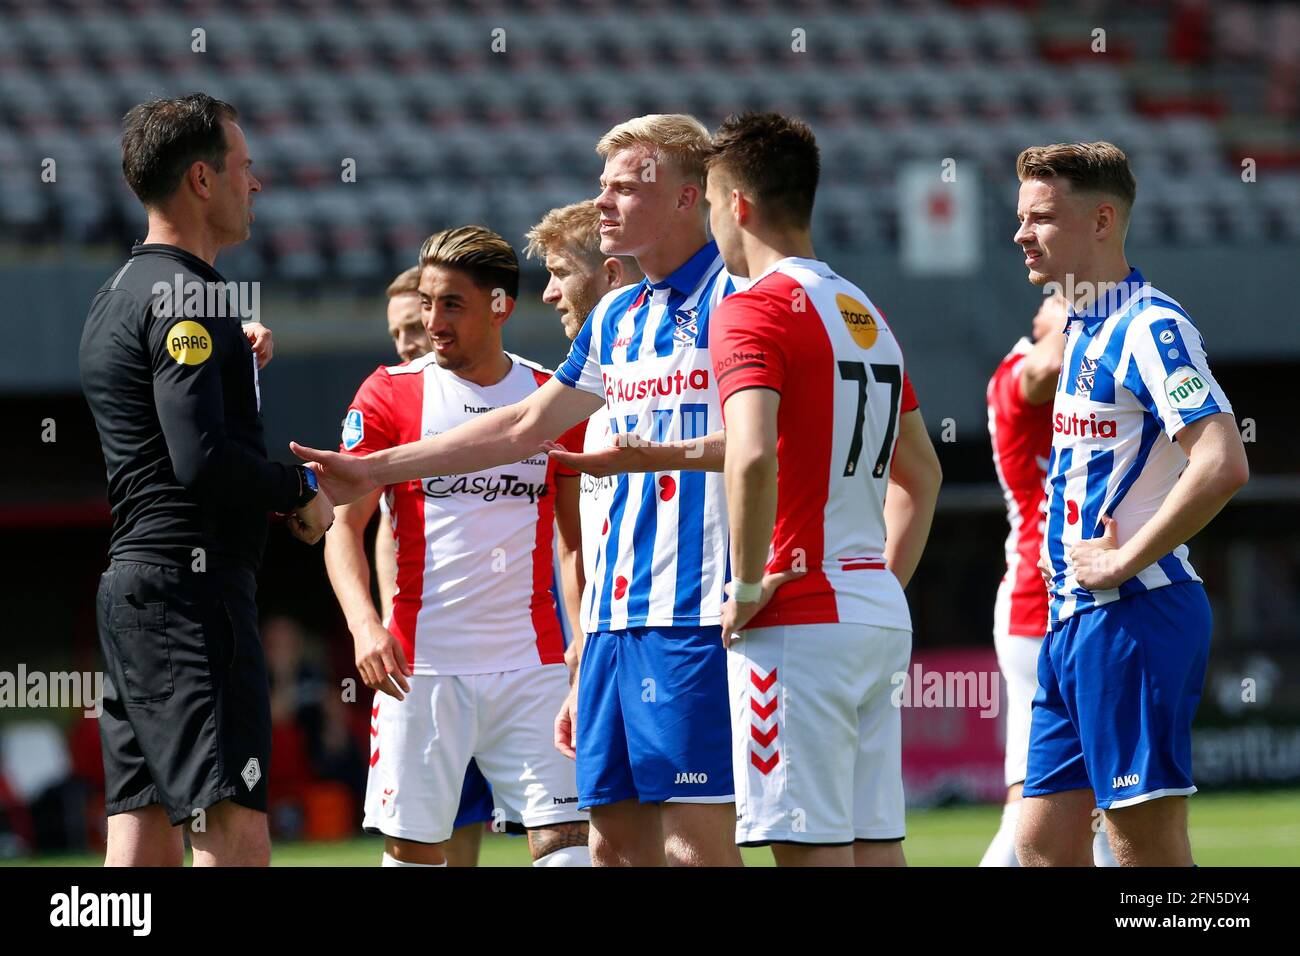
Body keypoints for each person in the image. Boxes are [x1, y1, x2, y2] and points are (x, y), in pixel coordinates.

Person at [295, 115, 747, 867]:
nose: (604, 202)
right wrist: (374, 475)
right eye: (601, 187)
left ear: (684, 198)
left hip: (678, 621)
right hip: (575, 636)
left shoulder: (739, 302)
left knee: (687, 851)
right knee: (613, 852)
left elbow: (777, 448)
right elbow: (520, 429)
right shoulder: (616, 320)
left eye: (625, 187)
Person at [78, 93, 333, 867]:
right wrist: (301, 490)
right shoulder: (193, 299)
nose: (254, 186)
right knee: (232, 820)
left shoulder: (117, 295)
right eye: (245, 168)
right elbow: (202, 461)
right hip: (193, 602)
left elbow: (167, 424)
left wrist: (231, 363)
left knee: (140, 823)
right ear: (200, 180)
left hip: (134, 592)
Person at [703, 112, 942, 866]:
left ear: (737, 203)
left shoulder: (750, 307)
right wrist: (880, 581)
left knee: (809, 852)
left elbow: (749, 456)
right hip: (872, 613)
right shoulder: (863, 308)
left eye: (710, 205)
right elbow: (923, 473)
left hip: (797, 618)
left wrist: (744, 585)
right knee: (877, 849)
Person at [322, 226, 590, 867]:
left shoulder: (550, 398)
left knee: (570, 848)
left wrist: (583, 641)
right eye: (427, 304)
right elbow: (344, 527)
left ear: (501, 306)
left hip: (535, 666)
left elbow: (574, 544)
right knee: (416, 855)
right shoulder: (388, 393)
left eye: (451, 304)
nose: (432, 321)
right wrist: (365, 627)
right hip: (421, 670)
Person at [1012, 142, 1249, 866]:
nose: (1022, 234)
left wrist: (1121, 558)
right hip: (1072, 623)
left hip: (1135, 615)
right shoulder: (1081, 327)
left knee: (1144, 850)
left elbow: (1224, 460)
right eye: (1021, 217)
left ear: (1103, 220)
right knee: (1044, 846)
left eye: (1042, 218)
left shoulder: (1151, 327)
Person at [980, 295, 1119, 866]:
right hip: (1036, 611)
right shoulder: (1016, 374)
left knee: (1104, 795)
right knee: (1034, 798)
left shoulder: (1079, 395)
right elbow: (1043, 369)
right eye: (1052, 305)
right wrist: (1074, 309)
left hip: (1080, 601)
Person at [367, 265, 498, 867]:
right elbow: (378, 528)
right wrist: (381, 621)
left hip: (513, 644)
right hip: (424, 651)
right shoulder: (393, 403)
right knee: (430, 826)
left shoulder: (504, 400)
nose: (409, 339)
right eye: (397, 332)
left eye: (416, 323)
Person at [521, 200, 644, 760]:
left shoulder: (679, 376)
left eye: (559, 273)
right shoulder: (586, 402)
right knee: (612, 836)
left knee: (689, 836)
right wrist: (581, 643)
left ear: (611, 275)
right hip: (603, 641)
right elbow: (573, 543)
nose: (548, 294)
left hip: (674, 634)